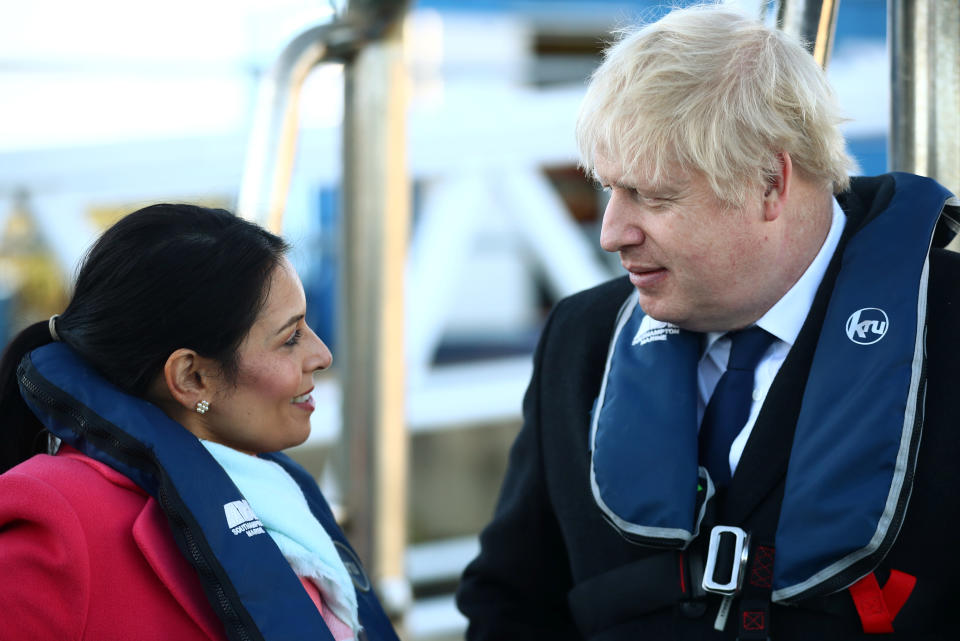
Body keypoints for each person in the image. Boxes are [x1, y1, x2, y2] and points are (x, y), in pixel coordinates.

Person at [457, 5, 960, 640]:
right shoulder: (581, 340)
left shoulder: (948, 337)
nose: (612, 232)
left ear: (769, 183)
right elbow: (512, 603)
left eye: (652, 195)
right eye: (610, 190)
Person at [0, 204, 399, 641]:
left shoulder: (271, 486)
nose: (322, 356)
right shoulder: (55, 518)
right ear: (192, 378)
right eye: (291, 339)